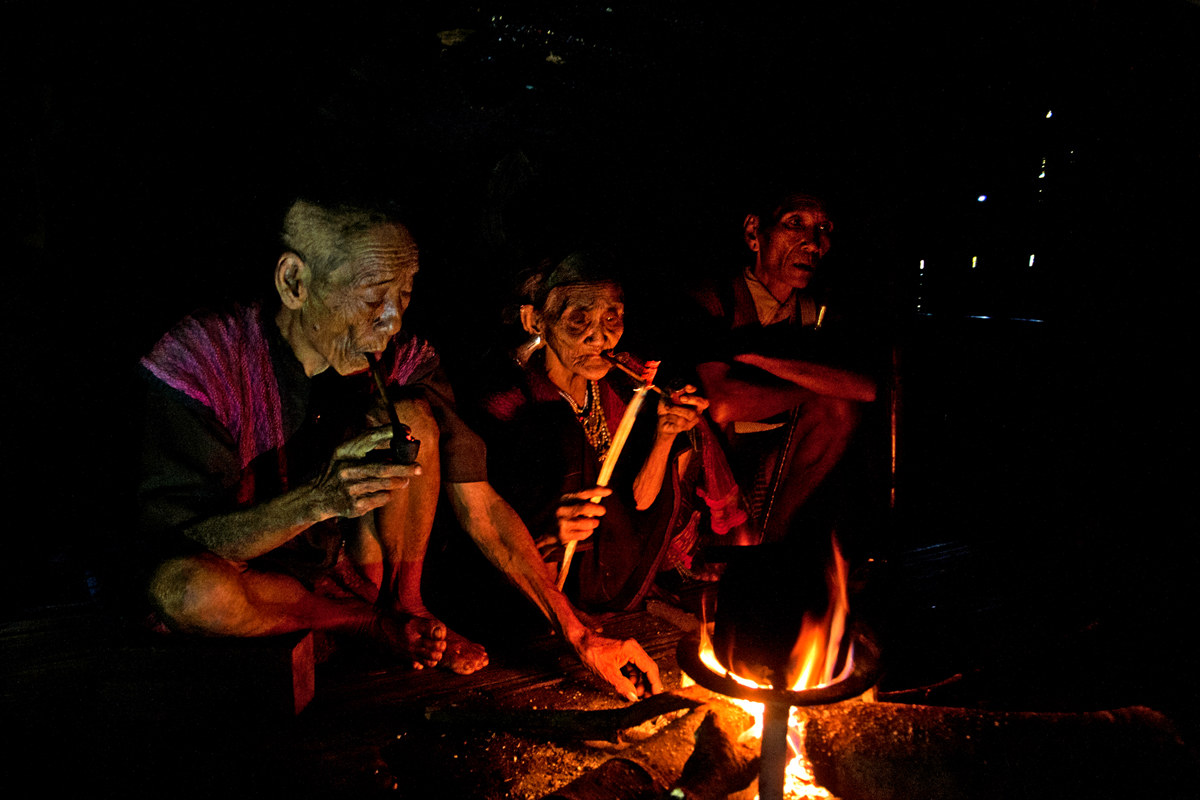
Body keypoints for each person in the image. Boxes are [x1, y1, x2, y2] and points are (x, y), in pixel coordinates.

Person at [133, 195, 662, 701]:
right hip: (253, 584)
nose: (392, 320)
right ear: (294, 282)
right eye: (372, 297)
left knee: (411, 419)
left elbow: (481, 507)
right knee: (186, 590)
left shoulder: (403, 361)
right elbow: (180, 543)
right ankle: (367, 624)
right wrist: (316, 500)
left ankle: (408, 606)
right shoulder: (203, 362)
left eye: (404, 294)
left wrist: (580, 635)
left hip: (349, 570)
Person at [466, 252, 752, 614]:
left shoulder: (620, 387)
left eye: (612, 318)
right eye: (579, 319)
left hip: (608, 580)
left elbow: (641, 503)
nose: (600, 337)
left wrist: (665, 435)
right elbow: (485, 522)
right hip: (528, 586)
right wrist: (550, 532)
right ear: (534, 320)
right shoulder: (509, 404)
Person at [679, 186, 879, 545]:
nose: (813, 244)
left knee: (839, 411)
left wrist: (767, 363)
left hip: (777, 464)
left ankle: (772, 538)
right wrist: (815, 384)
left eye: (824, 228)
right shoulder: (714, 300)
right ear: (754, 233)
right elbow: (723, 405)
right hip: (706, 469)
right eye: (795, 223)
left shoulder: (815, 312)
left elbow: (866, 389)